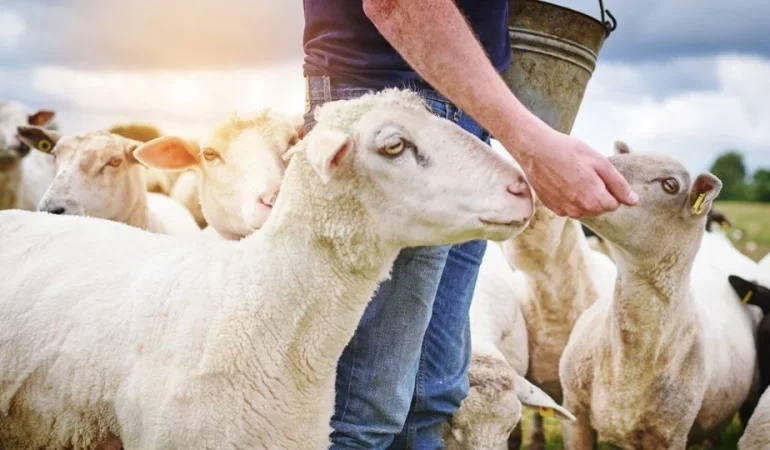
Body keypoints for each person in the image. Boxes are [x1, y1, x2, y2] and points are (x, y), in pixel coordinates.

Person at [301, 1, 639, 448]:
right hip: (386, 122)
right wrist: (531, 142)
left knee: (433, 398)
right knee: (363, 412)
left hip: (464, 114)